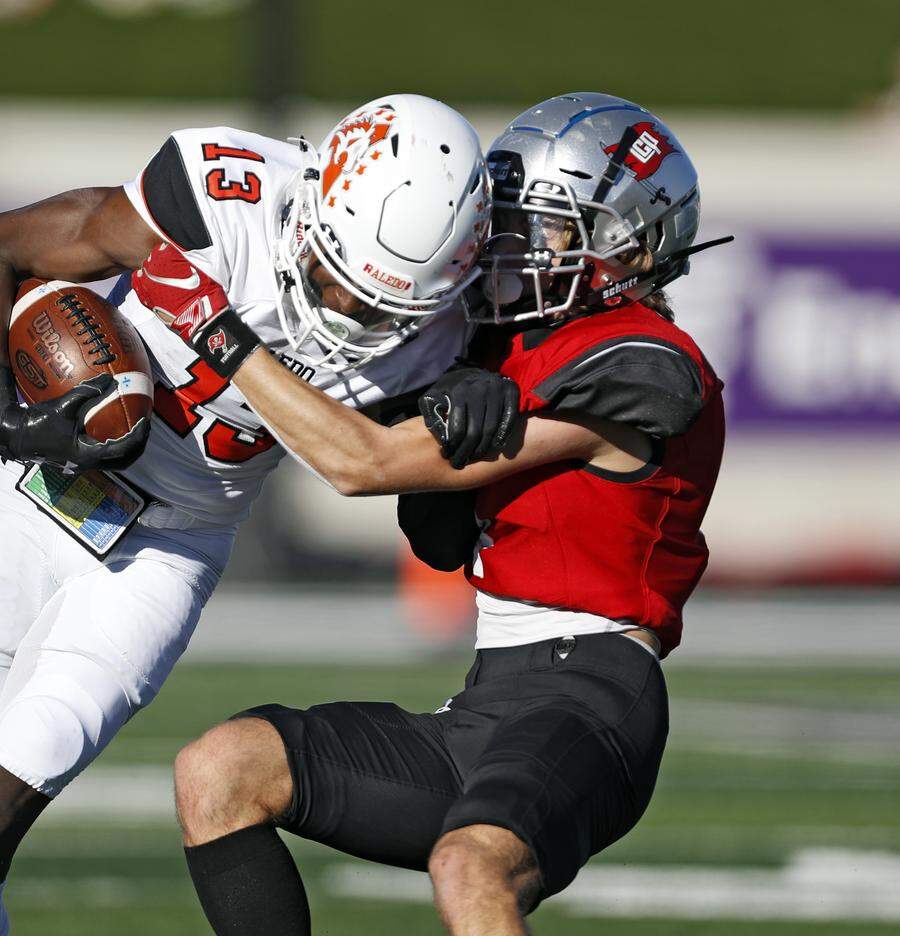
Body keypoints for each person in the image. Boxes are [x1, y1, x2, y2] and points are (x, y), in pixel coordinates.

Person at [0, 94, 492, 934]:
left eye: (379, 308)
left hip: (167, 551)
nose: (346, 319)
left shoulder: (439, 340)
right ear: (313, 208)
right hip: (37, 493)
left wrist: (458, 432)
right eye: (335, 284)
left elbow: (437, 541)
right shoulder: (218, 198)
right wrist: (4, 408)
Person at [166, 93, 729, 935]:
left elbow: (362, 464)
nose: (510, 249)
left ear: (627, 241)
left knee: (471, 866)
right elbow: (437, 540)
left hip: (594, 693)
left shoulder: (646, 360)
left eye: (544, 230)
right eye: (502, 226)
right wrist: (441, 389)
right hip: (490, 699)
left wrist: (220, 333)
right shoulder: (497, 349)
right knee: (220, 770)